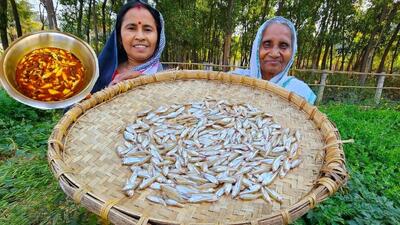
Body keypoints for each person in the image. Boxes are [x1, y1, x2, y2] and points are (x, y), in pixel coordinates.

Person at [232, 16, 316, 104]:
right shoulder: (234, 81)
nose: (274, 54)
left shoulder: (301, 93)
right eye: (267, 44)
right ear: (257, 48)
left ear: (292, 51)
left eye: (283, 45)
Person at [91, 0, 165, 93]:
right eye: (131, 28)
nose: (140, 37)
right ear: (119, 37)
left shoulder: (170, 78)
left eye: (147, 29)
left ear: (159, 37)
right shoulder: (99, 75)